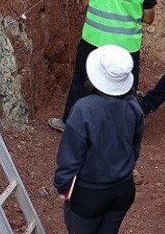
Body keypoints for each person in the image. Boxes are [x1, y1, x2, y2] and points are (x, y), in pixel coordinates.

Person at [49, 0, 157, 132]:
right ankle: (122, 129)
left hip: (93, 38)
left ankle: (69, 121)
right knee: (126, 87)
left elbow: (85, 2)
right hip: (125, 46)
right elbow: (149, 18)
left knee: (81, 80)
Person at [53, 44, 144, 234]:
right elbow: (135, 144)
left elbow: (70, 156)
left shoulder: (83, 109)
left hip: (89, 194)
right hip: (123, 190)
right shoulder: (134, 105)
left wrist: (63, 186)